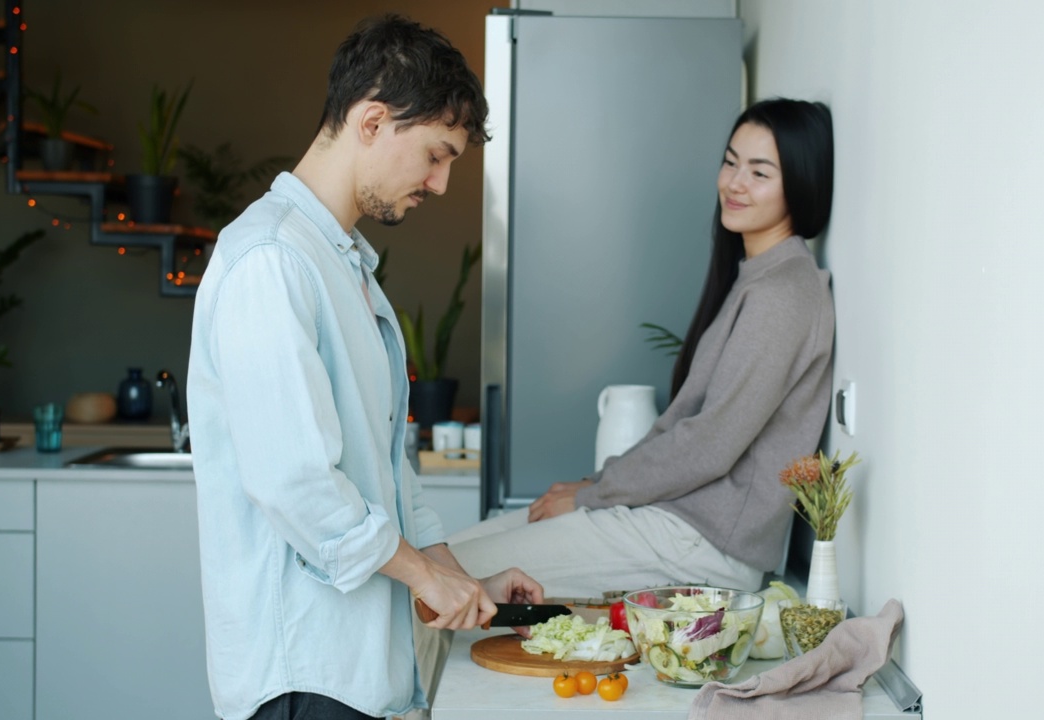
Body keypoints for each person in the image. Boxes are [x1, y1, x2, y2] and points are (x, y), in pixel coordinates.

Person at [186, 15, 542, 720]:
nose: (440, 184)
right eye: (436, 156)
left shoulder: (344, 265)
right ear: (372, 121)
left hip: (351, 666)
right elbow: (298, 482)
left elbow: (385, 467)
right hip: (302, 668)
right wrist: (422, 576)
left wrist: (458, 579)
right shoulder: (271, 261)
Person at [443, 98, 836, 599]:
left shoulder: (784, 294)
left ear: (800, 183)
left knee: (444, 577)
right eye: (731, 162)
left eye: (759, 172)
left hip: (706, 545)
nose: (734, 183)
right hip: (675, 523)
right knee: (444, 555)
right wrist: (595, 486)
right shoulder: (757, 279)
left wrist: (593, 495)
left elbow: (708, 445)